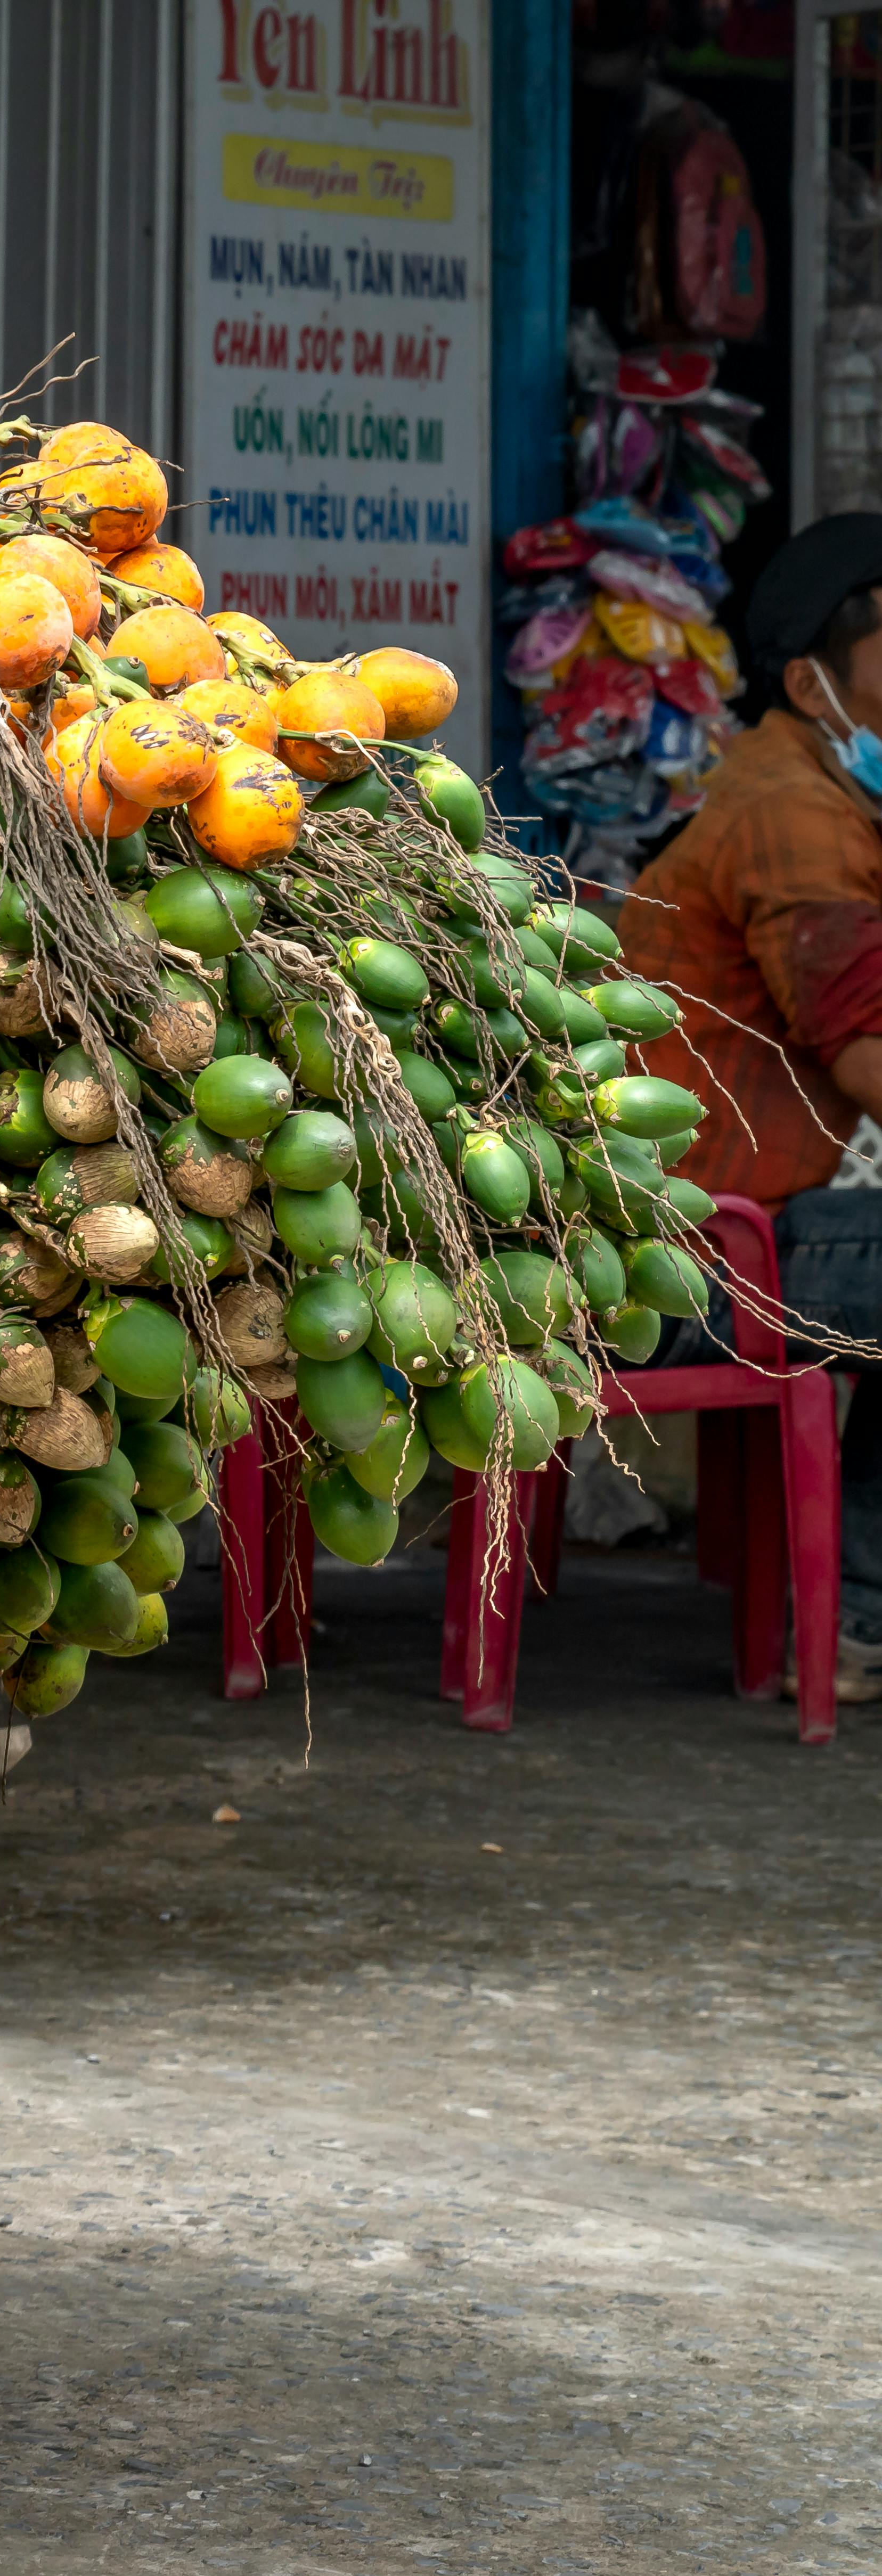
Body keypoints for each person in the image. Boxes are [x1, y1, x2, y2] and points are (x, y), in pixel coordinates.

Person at [617, 511, 882, 1701]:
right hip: (719, 1257)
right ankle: (864, 1621)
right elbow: (867, 1048)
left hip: (761, 1218)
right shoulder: (792, 813)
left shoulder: (817, 789)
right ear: (811, 683)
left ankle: (863, 1613)